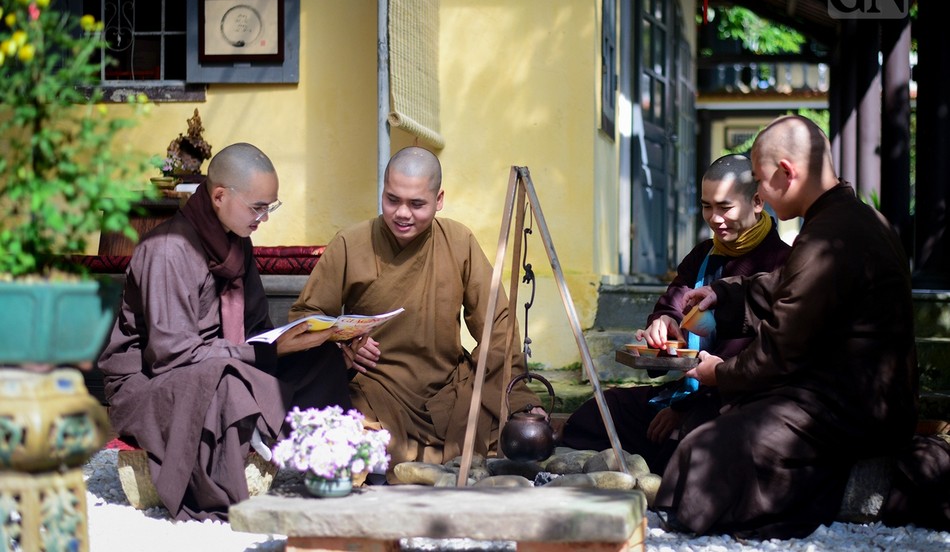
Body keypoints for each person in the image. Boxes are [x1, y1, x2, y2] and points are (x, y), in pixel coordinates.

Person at [655, 114, 919, 539]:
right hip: (857, 400)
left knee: (706, 450)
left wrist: (717, 373)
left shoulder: (829, 235)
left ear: (786, 173)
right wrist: (726, 295)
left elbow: (778, 354)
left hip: (852, 410)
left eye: (759, 180)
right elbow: (790, 285)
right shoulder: (860, 221)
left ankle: (855, 492)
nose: (758, 192)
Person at [98, 143, 357, 522]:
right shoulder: (169, 251)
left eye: (271, 206)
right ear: (219, 196)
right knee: (228, 381)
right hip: (150, 385)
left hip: (218, 364)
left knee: (321, 361)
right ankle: (236, 466)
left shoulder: (237, 243)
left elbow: (255, 331)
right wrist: (264, 354)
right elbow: (172, 356)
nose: (264, 218)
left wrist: (298, 340)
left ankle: (324, 465)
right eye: (258, 207)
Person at [288, 146, 543, 481]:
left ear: (439, 200)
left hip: (448, 392)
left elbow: (498, 324)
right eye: (392, 199)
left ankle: (420, 458)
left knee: (509, 424)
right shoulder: (351, 243)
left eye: (417, 204)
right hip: (377, 391)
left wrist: (520, 396)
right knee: (353, 427)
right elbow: (307, 317)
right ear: (383, 191)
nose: (402, 213)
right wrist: (343, 343)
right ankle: (416, 458)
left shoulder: (458, 240)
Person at [559, 154, 790, 473]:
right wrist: (662, 324)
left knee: (688, 440)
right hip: (686, 392)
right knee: (602, 410)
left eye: (725, 207)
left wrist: (683, 408)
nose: (714, 218)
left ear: (757, 202)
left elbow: (754, 357)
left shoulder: (781, 265)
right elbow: (674, 302)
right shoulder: (704, 256)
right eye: (707, 206)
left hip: (735, 400)